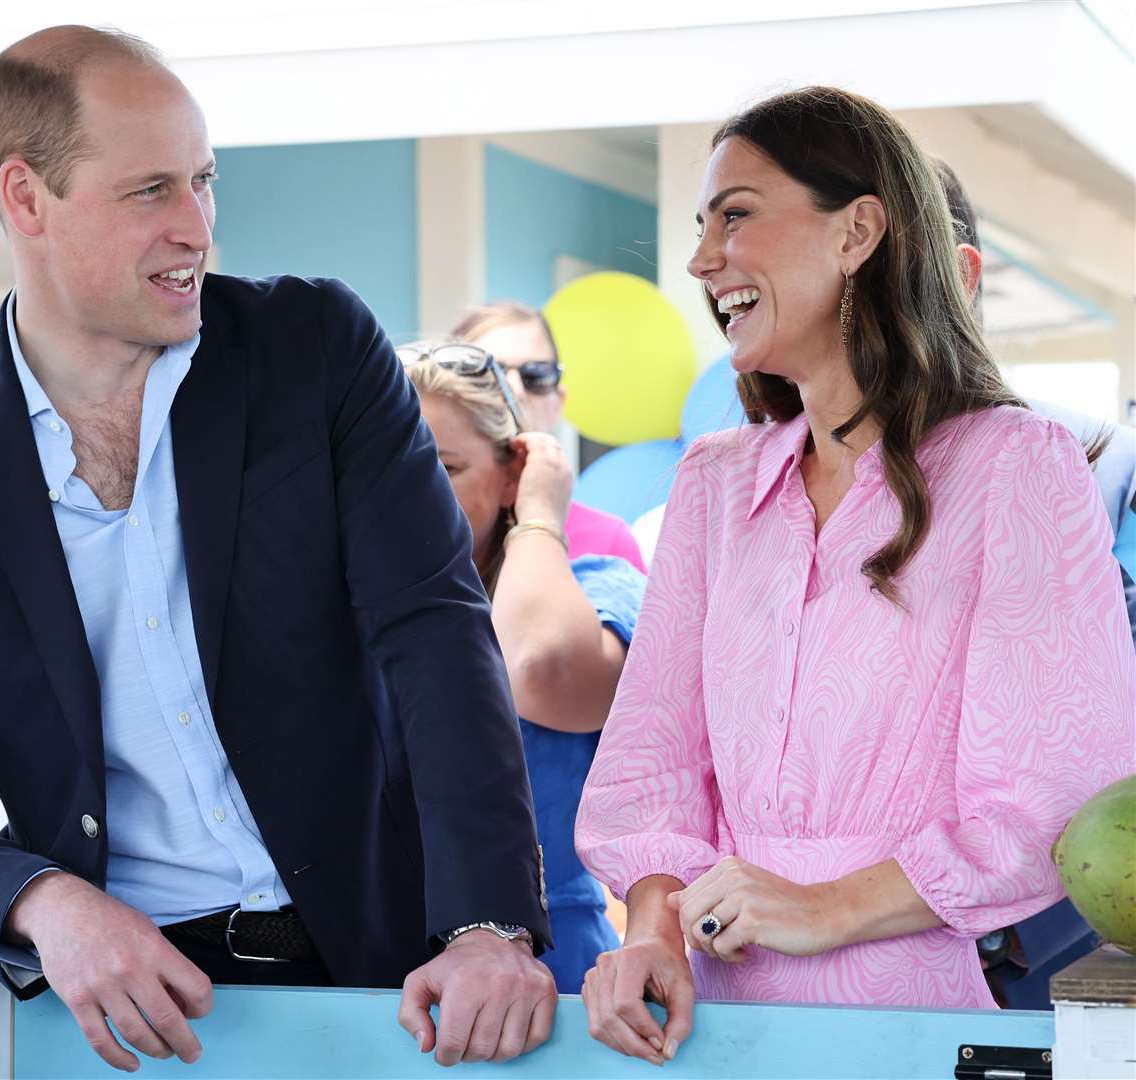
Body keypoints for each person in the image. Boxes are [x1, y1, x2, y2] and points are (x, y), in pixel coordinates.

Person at [0, 25, 556, 1074]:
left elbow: (434, 636)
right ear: (25, 199)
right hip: (126, 1017)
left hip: (396, 986)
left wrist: (487, 923)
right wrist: (43, 901)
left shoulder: (316, 351)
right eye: (150, 193)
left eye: (204, 183)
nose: (196, 228)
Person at [574, 86, 1135, 1066]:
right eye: (698, 228)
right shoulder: (710, 483)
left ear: (857, 231)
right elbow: (651, 766)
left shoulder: (1017, 464)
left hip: (910, 1016)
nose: (702, 259)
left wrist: (822, 905)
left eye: (734, 214)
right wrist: (649, 934)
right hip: (699, 1023)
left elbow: (1053, 792)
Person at [935, 156, 1136, 1007]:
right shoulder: (754, 486)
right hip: (814, 970)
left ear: (957, 273)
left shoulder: (1096, 464)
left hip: (1049, 951)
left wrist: (1018, 929)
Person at [399, 341, 646, 993]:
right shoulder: (331, 613)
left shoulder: (597, 590)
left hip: (557, 977)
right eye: (379, 465)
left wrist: (539, 514)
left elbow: (540, 669)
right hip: (378, 975)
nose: (402, 494)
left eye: (440, 467)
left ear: (514, 471)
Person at [452, 302, 647, 572]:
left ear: (559, 402)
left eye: (536, 375)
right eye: (489, 374)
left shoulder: (608, 541)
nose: (515, 390)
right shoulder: (417, 522)